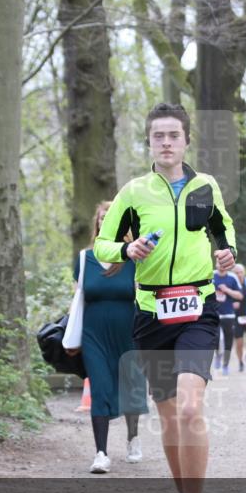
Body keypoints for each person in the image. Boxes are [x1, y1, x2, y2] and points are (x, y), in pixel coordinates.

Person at [94, 103, 236, 493]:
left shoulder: (205, 187)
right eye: (159, 136)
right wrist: (126, 247)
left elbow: (223, 229)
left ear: (187, 141)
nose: (167, 142)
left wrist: (227, 253)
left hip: (198, 309)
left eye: (174, 135)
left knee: (192, 409)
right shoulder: (133, 192)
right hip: (151, 315)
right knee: (172, 419)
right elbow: (102, 247)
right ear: (150, 143)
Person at [68, 202, 149, 474]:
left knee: (131, 386)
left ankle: (133, 437)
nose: (106, 220)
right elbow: (77, 298)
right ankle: (101, 452)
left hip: (128, 333)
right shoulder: (84, 258)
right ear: (98, 223)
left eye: (112, 217)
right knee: (100, 387)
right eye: (103, 217)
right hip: (94, 335)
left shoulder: (134, 259)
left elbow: (145, 297)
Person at [213, 267, 243, 376]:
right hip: (214, 314)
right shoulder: (210, 275)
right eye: (218, 261)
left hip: (228, 315)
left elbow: (240, 296)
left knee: (228, 341)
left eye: (222, 261)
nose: (220, 264)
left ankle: (225, 364)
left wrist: (227, 290)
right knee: (215, 338)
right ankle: (218, 355)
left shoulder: (232, 277)